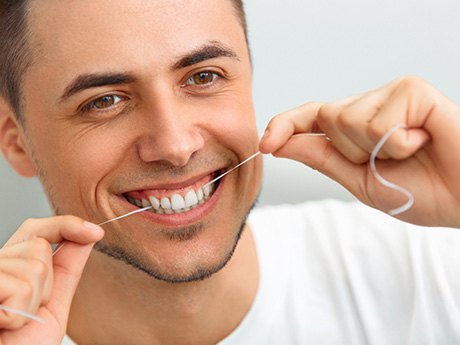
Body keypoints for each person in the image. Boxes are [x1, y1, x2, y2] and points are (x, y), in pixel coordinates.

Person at [0, 0, 459, 344]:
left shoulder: (425, 265)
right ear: (15, 139)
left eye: (203, 77)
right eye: (104, 100)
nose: (177, 146)